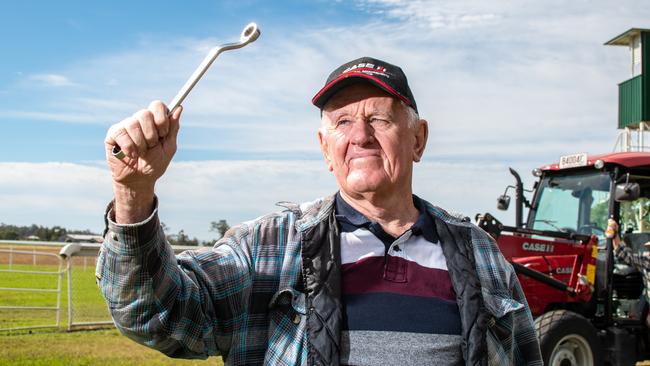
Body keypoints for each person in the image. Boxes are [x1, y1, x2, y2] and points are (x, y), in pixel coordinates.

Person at [97, 56, 542, 365]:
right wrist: (133, 193)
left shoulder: (479, 254)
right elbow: (159, 315)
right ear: (325, 149)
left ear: (418, 139)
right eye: (342, 122)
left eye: (380, 119)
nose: (360, 136)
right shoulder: (269, 248)